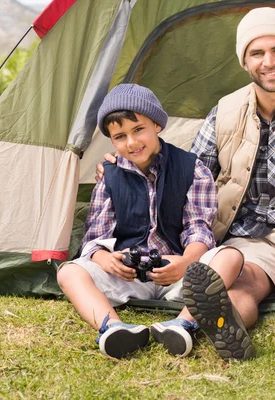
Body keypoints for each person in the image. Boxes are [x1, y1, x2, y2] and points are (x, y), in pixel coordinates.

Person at [97, 7, 275, 362]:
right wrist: (126, 166)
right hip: (247, 237)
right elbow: (184, 176)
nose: (268, 62)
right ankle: (225, 325)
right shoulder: (224, 112)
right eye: (257, 53)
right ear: (245, 61)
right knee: (240, 289)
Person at [58, 83, 243, 360]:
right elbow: (96, 236)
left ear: (156, 125)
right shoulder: (109, 176)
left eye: (138, 130)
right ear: (111, 141)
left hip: (179, 273)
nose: (131, 143)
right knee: (69, 272)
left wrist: (187, 263)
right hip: (130, 276)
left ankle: (183, 324)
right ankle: (113, 328)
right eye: (120, 137)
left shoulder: (192, 168)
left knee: (229, 257)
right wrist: (104, 259)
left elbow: (198, 228)